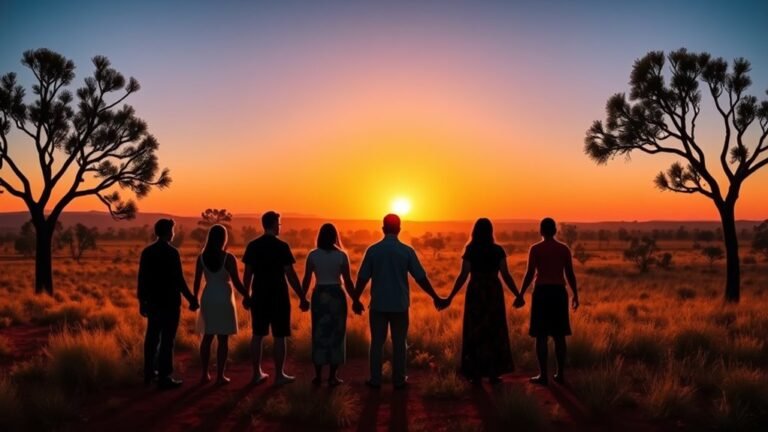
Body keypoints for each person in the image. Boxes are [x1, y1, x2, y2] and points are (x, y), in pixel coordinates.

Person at [353, 214, 445, 389]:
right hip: (400, 304)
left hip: (379, 304)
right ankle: (399, 380)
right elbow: (420, 277)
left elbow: (363, 277)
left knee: (377, 343)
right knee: (399, 343)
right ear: (399, 229)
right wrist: (435, 296)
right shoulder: (406, 251)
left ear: (383, 228)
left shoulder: (373, 250)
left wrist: (356, 299)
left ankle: (375, 380)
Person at [444, 218, 521, 384]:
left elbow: (463, 275)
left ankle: (475, 373)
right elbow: (505, 275)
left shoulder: (471, 249)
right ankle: (494, 373)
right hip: (493, 290)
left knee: (475, 330)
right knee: (495, 329)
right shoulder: (498, 250)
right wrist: (518, 294)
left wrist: (450, 297)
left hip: (476, 291)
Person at [242, 211, 310, 385]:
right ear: (273, 224)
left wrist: (246, 295)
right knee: (279, 336)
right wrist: (302, 296)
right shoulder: (282, 246)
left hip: (258, 295)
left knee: (257, 335)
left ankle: (256, 373)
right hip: (279, 296)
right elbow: (290, 274)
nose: (280, 227)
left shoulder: (253, 246)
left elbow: (247, 274)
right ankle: (279, 375)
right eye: (279, 224)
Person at [137, 218, 199, 389]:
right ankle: (164, 376)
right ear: (167, 232)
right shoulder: (172, 253)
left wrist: (141, 302)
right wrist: (192, 299)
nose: (174, 233)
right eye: (172, 230)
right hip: (170, 303)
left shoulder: (147, 252)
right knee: (167, 340)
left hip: (153, 302)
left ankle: (149, 373)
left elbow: (141, 279)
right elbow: (179, 280)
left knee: (151, 337)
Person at [518, 217, 579, 385]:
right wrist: (576, 295)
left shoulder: (535, 249)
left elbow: (530, 273)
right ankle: (560, 374)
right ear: (555, 231)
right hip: (559, 292)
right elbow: (570, 274)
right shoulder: (564, 249)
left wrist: (521, 293)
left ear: (541, 231)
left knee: (541, 335)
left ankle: (543, 375)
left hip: (542, 293)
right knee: (560, 336)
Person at [193, 224, 249, 385]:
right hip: (224, 297)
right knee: (223, 339)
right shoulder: (228, 258)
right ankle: (220, 376)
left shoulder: (201, 257)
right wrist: (247, 295)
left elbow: (197, 281)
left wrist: (194, 299)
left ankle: (204, 374)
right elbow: (237, 282)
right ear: (224, 239)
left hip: (208, 296)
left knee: (207, 337)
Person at [301, 223, 356, 386]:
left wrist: (303, 298)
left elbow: (306, 279)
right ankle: (332, 376)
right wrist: (356, 299)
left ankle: (318, 376)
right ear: (335, 237)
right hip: (337, 296)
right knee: (337, 335)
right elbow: (347, 281)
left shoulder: (313, 255)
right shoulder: (341, 256)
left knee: (319, 334)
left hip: (319, 296)